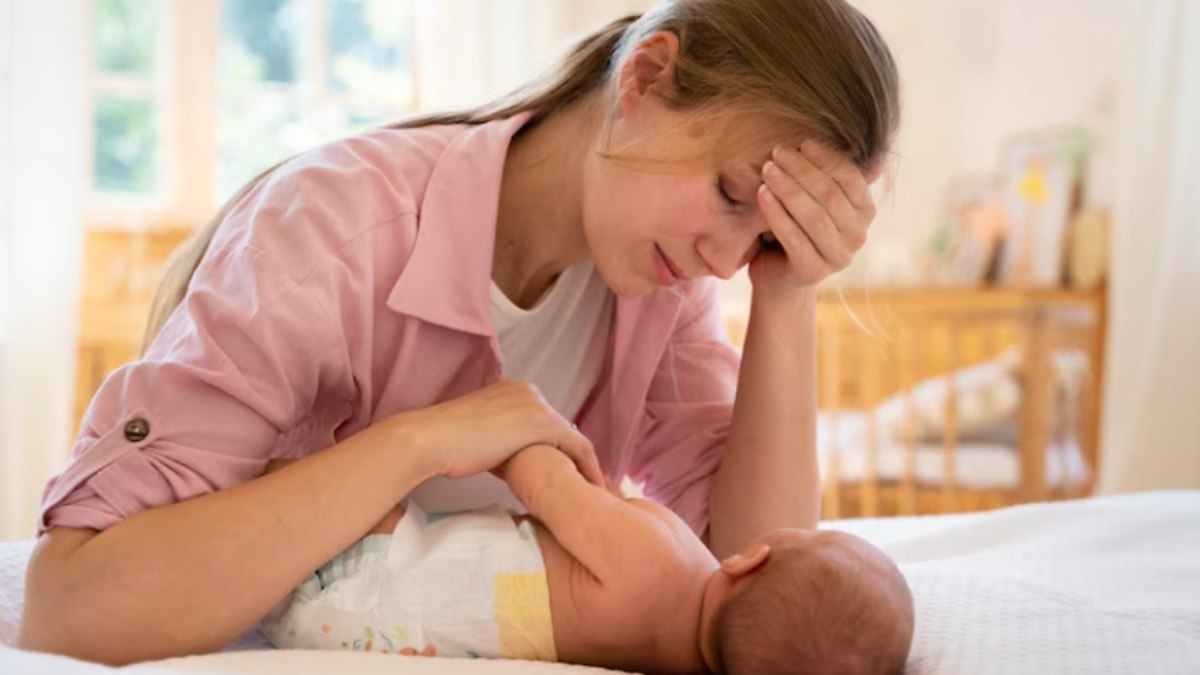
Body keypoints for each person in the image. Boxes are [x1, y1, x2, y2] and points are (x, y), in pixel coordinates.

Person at [18, 0, 899, 666]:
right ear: (644, 77)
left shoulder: (663, 290)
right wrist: (425, 441)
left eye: (766, 238)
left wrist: (789, 292)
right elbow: (72, 605)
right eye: (735, 198)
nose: (724, 257)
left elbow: (756, 595)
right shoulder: (327, 229)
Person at [259, 445, 914, 674]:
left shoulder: (662, 561)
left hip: (368, 569)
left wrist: (522, 432)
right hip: (361, 630)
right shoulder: (672, 655)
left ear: (749, 560)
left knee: (301, 475)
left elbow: (546, 488)